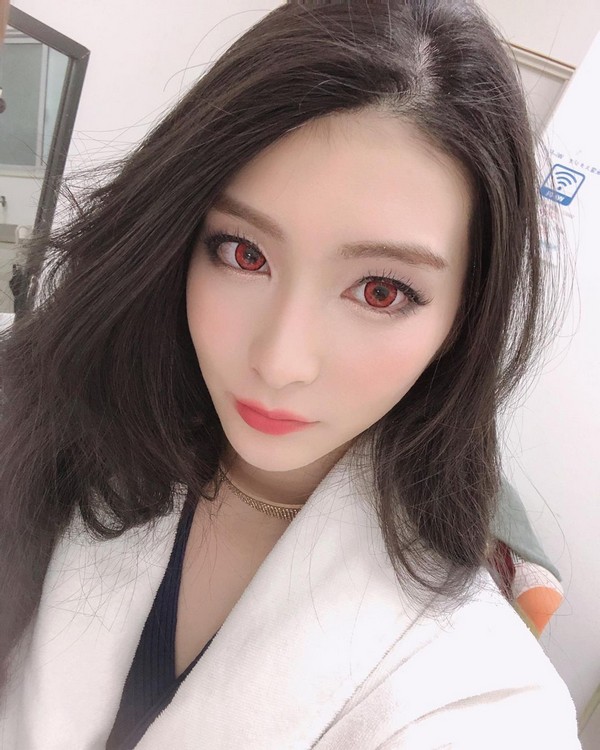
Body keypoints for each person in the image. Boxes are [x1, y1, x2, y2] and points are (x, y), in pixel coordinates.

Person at [0, 1, 581, 747]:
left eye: (381, 291)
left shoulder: (479, 697)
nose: (279, 361)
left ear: (461, 321)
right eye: (244, 253)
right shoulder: (48, 424)